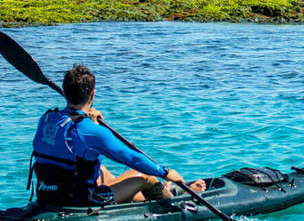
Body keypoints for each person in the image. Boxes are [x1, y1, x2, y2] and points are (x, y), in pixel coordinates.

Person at [30, 64, 205, 207]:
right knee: (144, 176)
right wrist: (164, 172)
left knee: (101, 170)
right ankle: (176, 201)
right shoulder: (91, 130)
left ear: (65, 92)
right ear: (92, 94)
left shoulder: (46, 119)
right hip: (80, 200)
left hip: (47, 194)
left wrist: (90, 121)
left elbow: (75, 145)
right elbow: (130, 157)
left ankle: (158, 192)